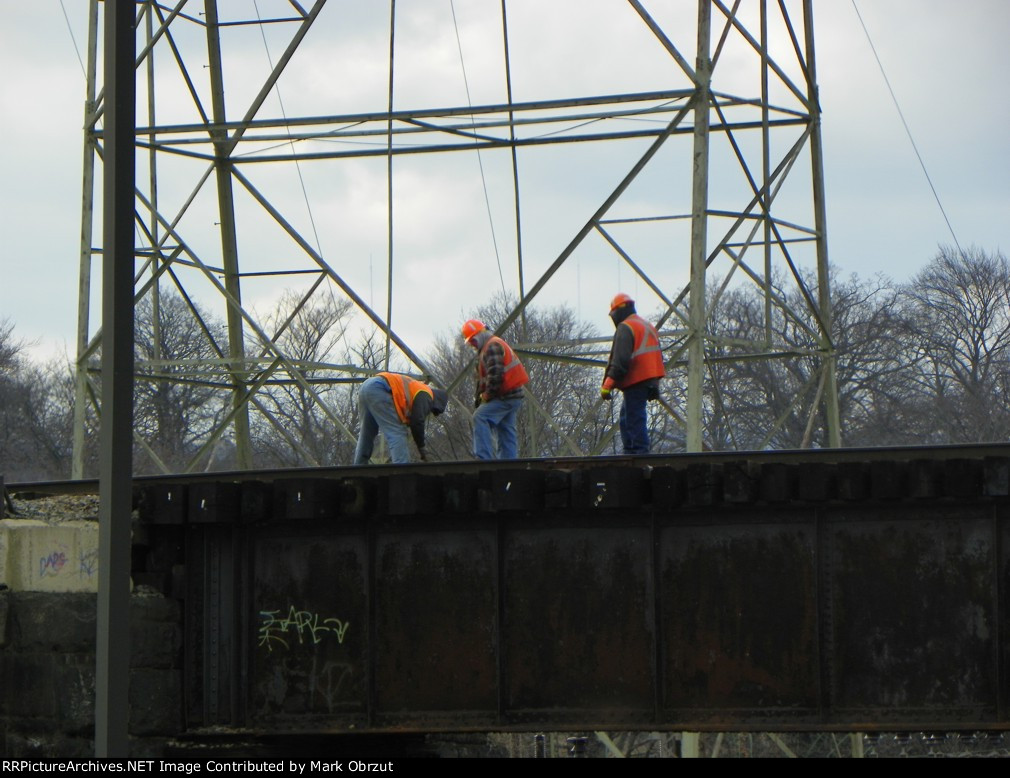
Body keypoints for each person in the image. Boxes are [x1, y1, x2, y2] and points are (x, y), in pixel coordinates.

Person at [601, 293, 665, 454]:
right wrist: (654, 384)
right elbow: (656, 356)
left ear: (616, 312)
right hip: (649, 379)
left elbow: (620, 361)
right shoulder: (647, 325)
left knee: (634, 418)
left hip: (636, 378)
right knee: (627, 417)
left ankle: (638, 454)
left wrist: (608, 384)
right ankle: (631, 451)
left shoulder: (626, 327)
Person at [462, 319, 529, 460]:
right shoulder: (491, 345)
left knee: (480, 417)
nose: (473, 346)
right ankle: (508, 464)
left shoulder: (492, 346)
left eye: (473, 341)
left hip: (506, 395)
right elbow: (485, 379)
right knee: (506, 429)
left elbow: (495, 376)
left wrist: (486, 396)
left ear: (479, 335)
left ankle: (483, 458)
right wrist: (480, 398)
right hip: (512, 395)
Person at [353, 372, 448, 465]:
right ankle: (402, 470)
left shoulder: (418, 390)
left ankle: (358, 467)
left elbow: (413, 418)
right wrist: (421, 447)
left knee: (366, 433)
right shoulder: (427, 394)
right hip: (379, 388)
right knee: (397, 432)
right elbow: (417, 421)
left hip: (366, 387)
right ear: (436, 403)